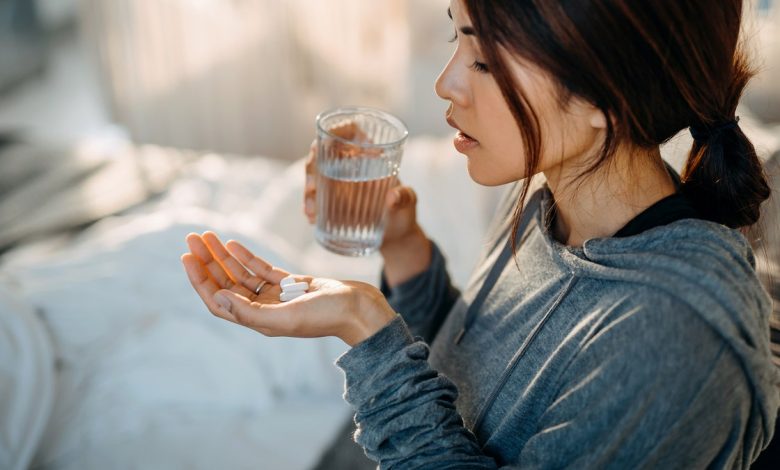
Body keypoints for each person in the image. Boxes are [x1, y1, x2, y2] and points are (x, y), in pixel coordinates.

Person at [181, 0, 780, 467]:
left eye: (483, 61)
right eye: (455, 38)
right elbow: (472, 381)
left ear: (606, 95)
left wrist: (366, 327)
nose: (446, 84)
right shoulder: (553, 199)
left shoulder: (672, 340)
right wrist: (404, 246)